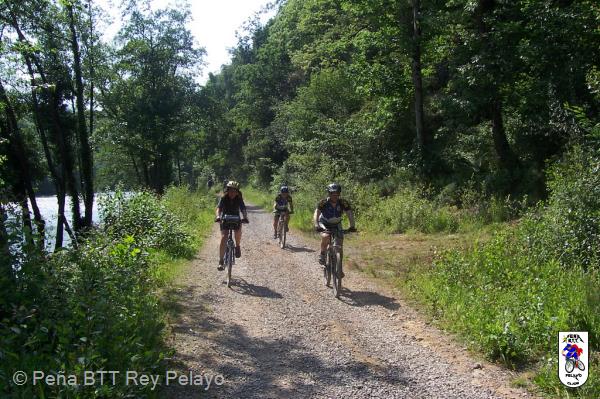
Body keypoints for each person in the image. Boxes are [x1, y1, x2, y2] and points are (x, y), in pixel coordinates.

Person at [313, 183, 356, 272]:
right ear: (329, 193)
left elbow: (350, 214)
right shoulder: (323, 202)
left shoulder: (343, 202)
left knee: (339, 245)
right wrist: (316, 224)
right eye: (332, 194)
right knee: (325, 236)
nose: (335, 196)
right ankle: (322, 254)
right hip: (324, 223)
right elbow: (316, 212)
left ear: (339, 194)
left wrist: (352, 226)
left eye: (337, 194)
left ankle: (339, 268)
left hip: (337, 224)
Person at [215, 180, 249, 270]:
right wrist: (218, 216)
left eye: (234, 191)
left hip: (235, 218)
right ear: (227, 190)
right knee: (224, 237)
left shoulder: (239, 199)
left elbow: (243, 209)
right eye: (230, 190)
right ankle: (221, 261)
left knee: (238, 231)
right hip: (225, 219)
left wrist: (245, 217)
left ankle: (237, 246)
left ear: (237, 192)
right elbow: (219, 208)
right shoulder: (223, 198)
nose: (232, 193)